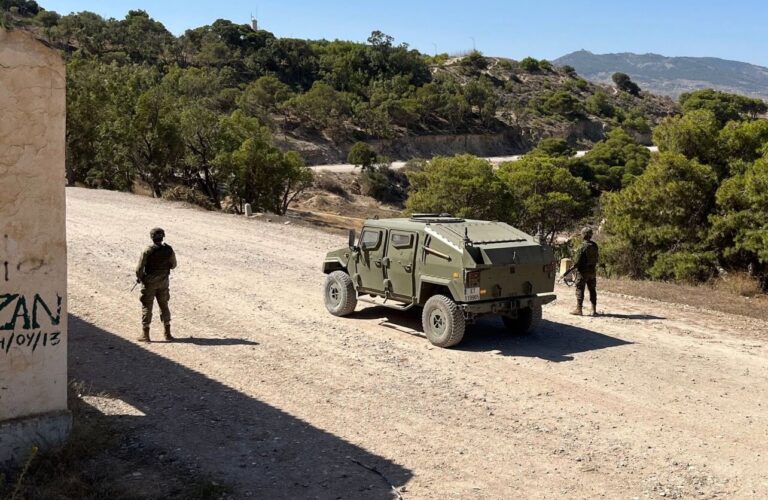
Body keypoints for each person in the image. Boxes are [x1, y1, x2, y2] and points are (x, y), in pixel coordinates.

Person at [135, 227, 177, 342]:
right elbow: (174, 265)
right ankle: (167, 333)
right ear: (163, 237)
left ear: (151, 237)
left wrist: (140, 278)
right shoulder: (168, 250)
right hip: (163, 282)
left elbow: (139, 268)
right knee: (164, 305)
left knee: (147, 306)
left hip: (149, 283)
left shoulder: (147, 250)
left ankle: (146, 334)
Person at [570, 226, 599, 316]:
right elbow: (597, 258)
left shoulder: (582, 246)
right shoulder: (595, 245)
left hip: (583, 272)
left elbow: (577, 262)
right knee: (592, 290)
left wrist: (573, 267)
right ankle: (593, 310)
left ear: (584, 235)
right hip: (592, 271)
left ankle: (579, 309)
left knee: (580, 289)